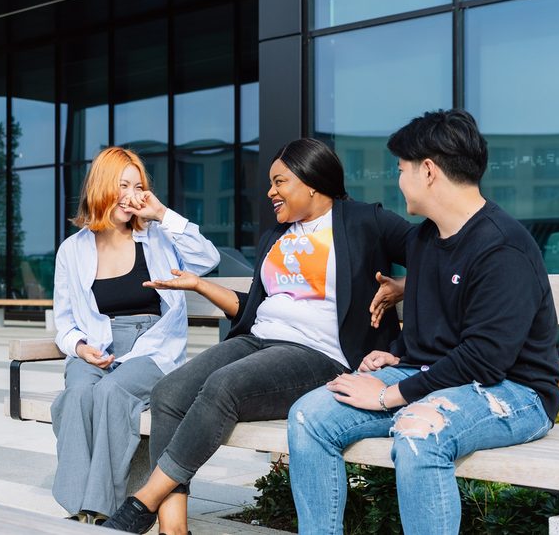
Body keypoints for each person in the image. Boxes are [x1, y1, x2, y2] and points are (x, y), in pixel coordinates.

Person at [103, 138, 412, 535]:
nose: (270, 192)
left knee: (223, 386)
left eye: (279, 182)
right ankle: (173, 528)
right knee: (169, 392)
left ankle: (144, 500)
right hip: (259, 341)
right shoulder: (275, 235)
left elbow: (439, 254)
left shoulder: (364, 221)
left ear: (311, 182)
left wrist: (402, 286)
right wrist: (199, 285)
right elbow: (254, 308)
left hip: (320, 354)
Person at [287, 110, 559, 535]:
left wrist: (388, 396)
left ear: (429, 171)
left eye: (401, 170)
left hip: (515, 391)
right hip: (435, 377)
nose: (398, 181)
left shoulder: (503, 247)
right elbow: (436, 332)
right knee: (310, 416)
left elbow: (484, 360)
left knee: (419, 432)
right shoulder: (424, 239)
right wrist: (393, 355)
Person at [50, 146, 220, 524]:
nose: (132, 195)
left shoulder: (158, 237)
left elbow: (208, 259)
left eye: (138, 186)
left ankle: (99, 510)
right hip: (95, 347)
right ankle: (78, 508)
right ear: (102, 187)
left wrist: (160, 213)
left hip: (149, 348)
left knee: (111, 393)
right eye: (123, 185)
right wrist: (79, 347)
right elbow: (64, 320)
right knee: (77, 394)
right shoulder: (72, 250)